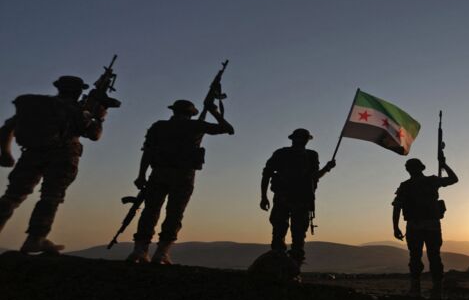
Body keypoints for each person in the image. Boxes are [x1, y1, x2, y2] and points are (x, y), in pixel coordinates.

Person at [0, 76, 104, 253]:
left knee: (12, 196)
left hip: (31, 155)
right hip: (62, 157)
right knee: (50, 197)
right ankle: (35, 239)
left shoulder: (38, 107)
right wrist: (99, 118)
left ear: (59, 88)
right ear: (78, 91)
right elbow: (94, 135)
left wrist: (6, 153)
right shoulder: (76, 110)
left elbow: (7, 128)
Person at [127, 99, 234, 264]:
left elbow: (147, 152)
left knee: (150, 211)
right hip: (183, 176)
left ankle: (140, 250)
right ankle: (161, 253)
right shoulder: (195, 126)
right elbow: (228, 129)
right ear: (190, 114)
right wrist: (214, 111)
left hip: (159, 173)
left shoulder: (159, 126)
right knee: (174, 213)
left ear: (174, 111)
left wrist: (141, 175)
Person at [260, 128, 336, 270]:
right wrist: (263, 197)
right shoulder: (284, 154)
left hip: (299, 200)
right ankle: (283, 268)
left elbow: (313, 177)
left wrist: (327, 168)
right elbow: (267, 174)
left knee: (294, 235)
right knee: (284, 233)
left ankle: (290, 269)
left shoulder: (309, 155)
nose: (303, 141)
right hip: (290, 198)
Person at [392, 157, 459, 298]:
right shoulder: (426, 182)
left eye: (410, 167)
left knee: (424, 257)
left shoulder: (414, 184)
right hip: (425, 226)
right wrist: (444, 165)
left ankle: (428, 289)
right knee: (427, 257)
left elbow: (397, 208)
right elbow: (454, 179)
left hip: (422, 226)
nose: (409, 170)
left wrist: (396, 227)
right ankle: (429, 290)